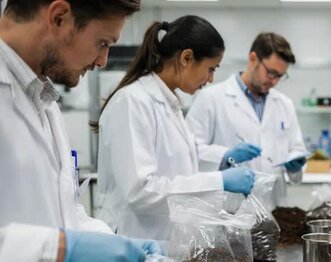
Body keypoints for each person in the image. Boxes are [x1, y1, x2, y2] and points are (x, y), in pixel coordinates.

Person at [0, 1, 164, 262]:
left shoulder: (43, 98)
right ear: (59, 17)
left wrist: (113, 243)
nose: (103, 61)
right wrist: (60, 250)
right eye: (103, 43)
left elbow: (62, 212)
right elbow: (55, 240)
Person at [97, 16, 254, 241]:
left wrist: (222, 162)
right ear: (186, 58)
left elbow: (178, 167)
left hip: (167, 243)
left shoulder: (171, 104)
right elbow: (141, 191)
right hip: (135, 243)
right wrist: (219, 181)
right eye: (211, 69)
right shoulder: (133, 101)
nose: (211, 79)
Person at [186, 32, 307, 207]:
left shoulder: (284, 105)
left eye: (280, 76)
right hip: (230, 210)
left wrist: (295, 166)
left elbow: (296, 152)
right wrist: (224, 156)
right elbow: (190, 152)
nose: (274, 82)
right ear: (253, 59)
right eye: (271, 73)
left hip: (275, 209)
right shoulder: (210, 98)